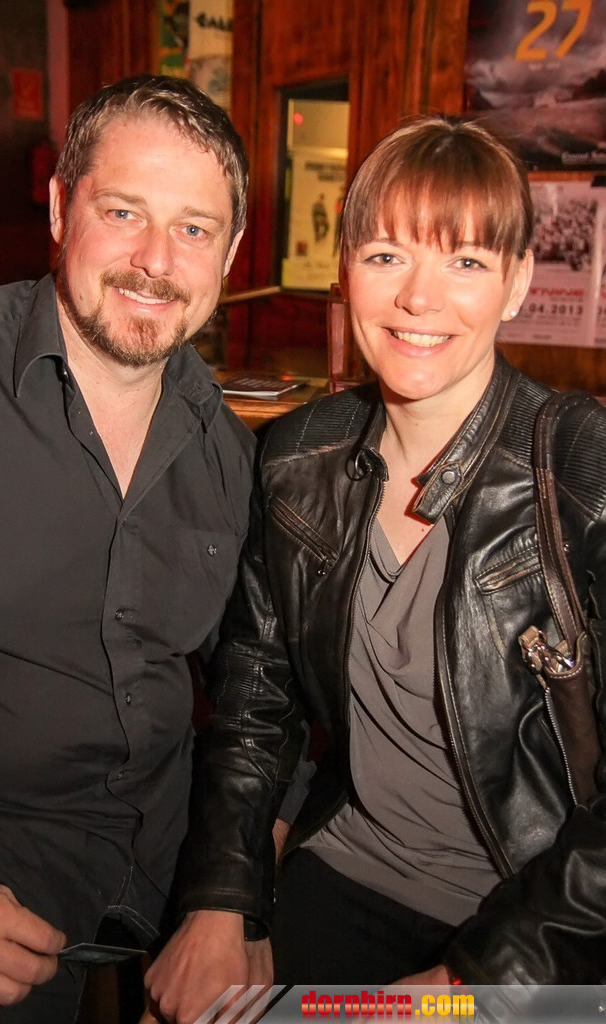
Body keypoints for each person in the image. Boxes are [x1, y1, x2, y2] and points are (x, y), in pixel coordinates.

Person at [145, 115, 606, 1020]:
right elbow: (256, 704)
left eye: (465, 261)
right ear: (345, 270)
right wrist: (220, 902)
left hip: (544, 915)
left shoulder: (581, 472)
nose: (417, 299)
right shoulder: (296, 458)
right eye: (387, 255)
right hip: (347, 867)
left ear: (517, 282)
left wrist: (475, 982)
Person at [0, 74, 254, 1022]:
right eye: (123, 212)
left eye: (194, 229)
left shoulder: (230, 451)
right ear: (61, 208)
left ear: (230, 252)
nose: (156, 260)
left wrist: (235, 897)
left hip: (169, 866)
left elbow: (258, 692)